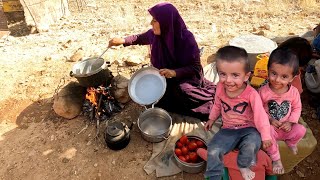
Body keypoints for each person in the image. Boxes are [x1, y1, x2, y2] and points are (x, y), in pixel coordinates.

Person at [108, 2, 215, 120]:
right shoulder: (155, 35)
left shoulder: (186, 39)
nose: (151, 23)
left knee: (184, 91)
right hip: (163, 75)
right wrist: (123, 40)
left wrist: (174, 72)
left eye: (154, 20)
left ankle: (211, 106)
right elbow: (139, 38)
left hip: (185, 76)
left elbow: (195, 68)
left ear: (166, 22)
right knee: (155, 96)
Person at [202, 46, 272, 180]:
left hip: (248, 128)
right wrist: (211, 119)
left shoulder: (251, 94)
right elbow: (217, 104)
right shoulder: (220, 88)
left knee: (252, 143)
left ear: (246, 76)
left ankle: (244, 165)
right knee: (213, 148)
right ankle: (214, 176)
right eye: (223, 74)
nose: (228, 80)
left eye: (235, 75)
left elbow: (260, 116)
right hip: (228, 129)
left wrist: (265, 135)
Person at [258, 48, 307, 174]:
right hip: (271, 127)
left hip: (287, 127)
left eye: (284, 76)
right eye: (274, 73)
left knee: (301, 130)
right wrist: (269, 119)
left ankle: (291, 142)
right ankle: (276, 158)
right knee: (266, 133)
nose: (277, 80)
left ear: (292, 78)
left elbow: (297, 108)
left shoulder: (294, 92)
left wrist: (291, 122)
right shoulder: (263, 91)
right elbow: (258, 109)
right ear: (268, 70)